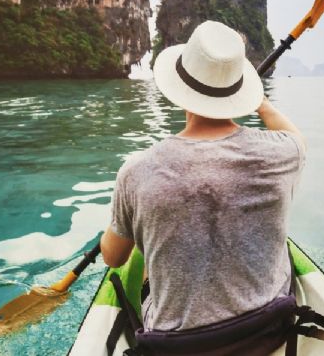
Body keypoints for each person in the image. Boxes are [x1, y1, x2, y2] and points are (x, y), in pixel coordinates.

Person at [99, 20, 306, 333]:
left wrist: (125, 218)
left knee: (143, 248)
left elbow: (113, 258)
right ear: (240, 92)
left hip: (179, 344)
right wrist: (260, 103)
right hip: (267, 331)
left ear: (179, 90)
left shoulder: (136, 171)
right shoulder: (283, 153)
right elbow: (297, 139)